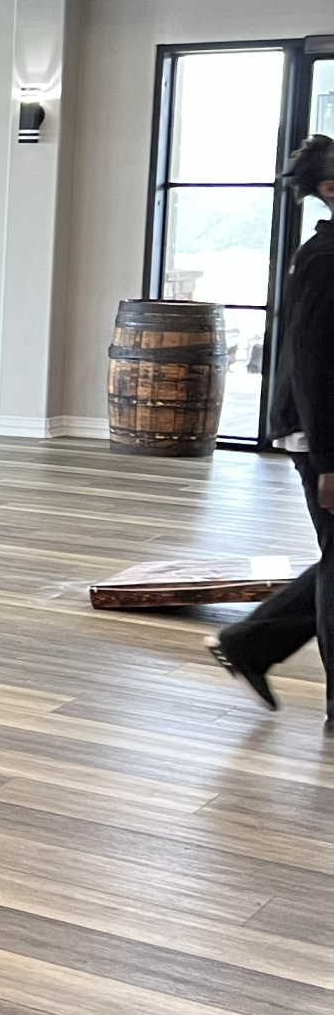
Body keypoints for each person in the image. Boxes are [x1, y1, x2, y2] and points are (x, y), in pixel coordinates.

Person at [212, 131, 334, 727]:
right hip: (321, 435)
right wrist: (329, 463)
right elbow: (313, 368)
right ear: (330, 189)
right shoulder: (323, 259)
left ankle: (251, 644)